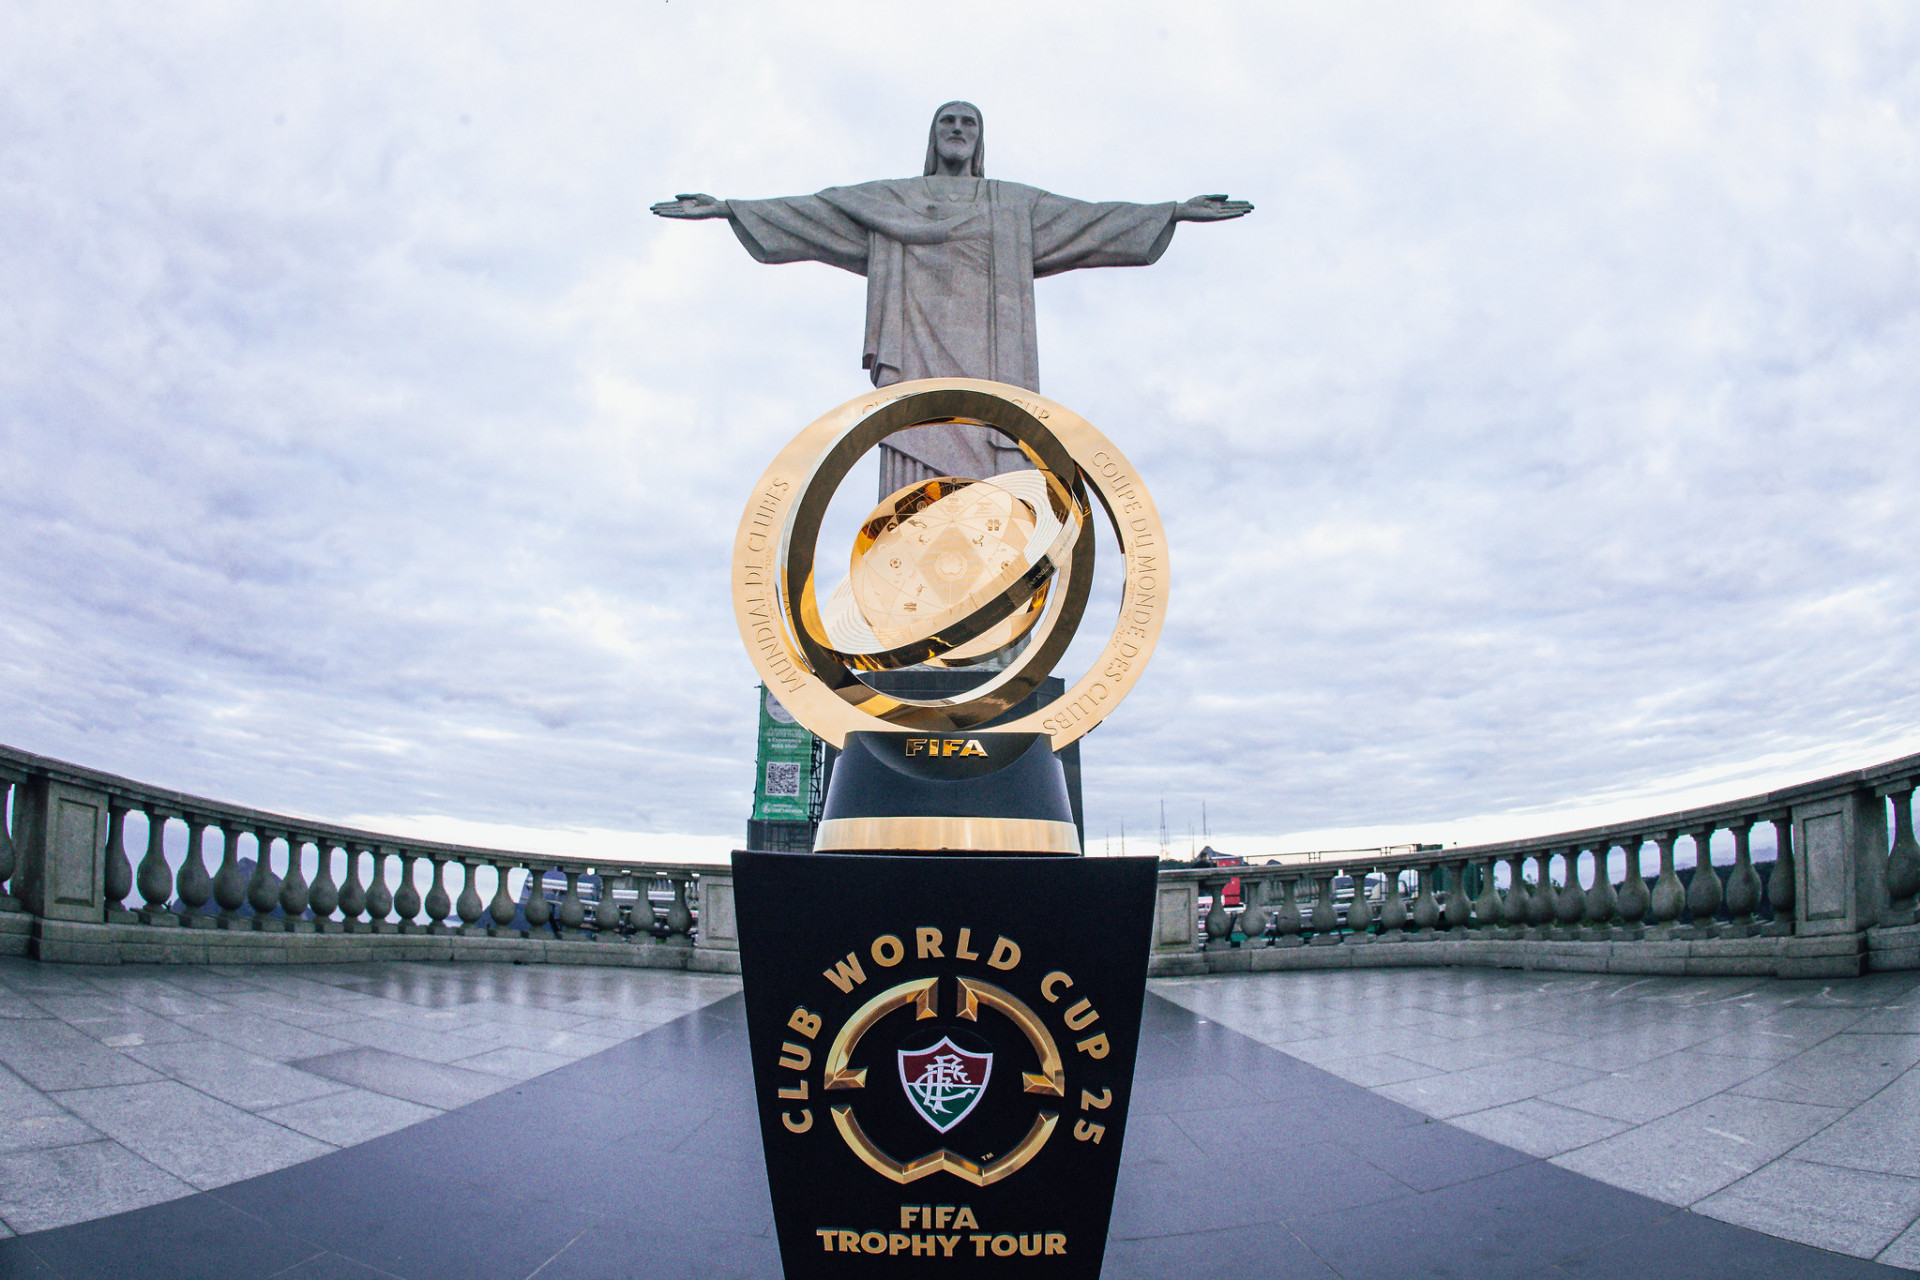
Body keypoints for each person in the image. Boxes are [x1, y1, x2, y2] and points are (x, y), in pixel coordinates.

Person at [653, 101, 1252, 491]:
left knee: (992, 497)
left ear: (980, 138)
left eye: (969, 122)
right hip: (916, 365)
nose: (958, 130)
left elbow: (1090, 220)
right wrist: (729, 208)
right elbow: (818, 212)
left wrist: (1172, 211)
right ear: (933, 137)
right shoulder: (894, 201)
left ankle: (990, 620)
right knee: (915, 482)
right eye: (948, 122)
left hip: (993, 370)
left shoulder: (1011, 205)